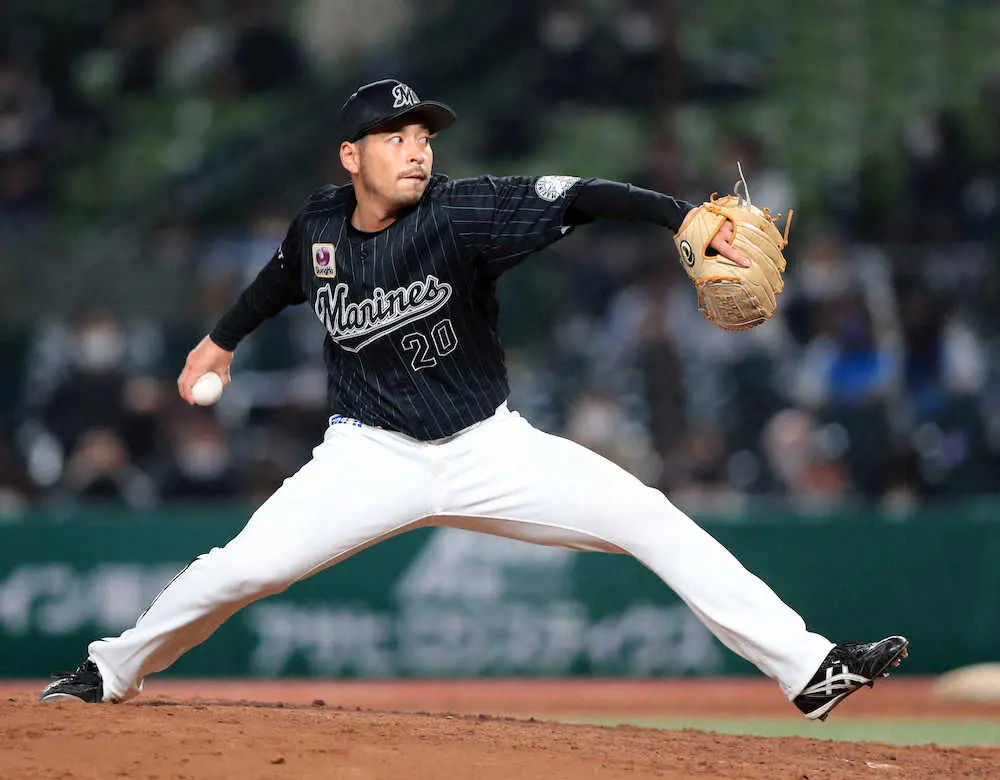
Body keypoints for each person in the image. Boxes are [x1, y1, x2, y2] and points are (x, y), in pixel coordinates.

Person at [39, 79, 907, 721]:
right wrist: (220, 340)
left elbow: (581, 196)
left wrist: (680, 215)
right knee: (242, 568)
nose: (418, 148)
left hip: (491, 448)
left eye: (423, 135)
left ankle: (809, 669)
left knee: (650, 517)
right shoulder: (320, 225)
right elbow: (279, 279)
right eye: (395, 136)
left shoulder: (464, 212)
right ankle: (108, 671)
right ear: (351, 157)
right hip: (368, 454)